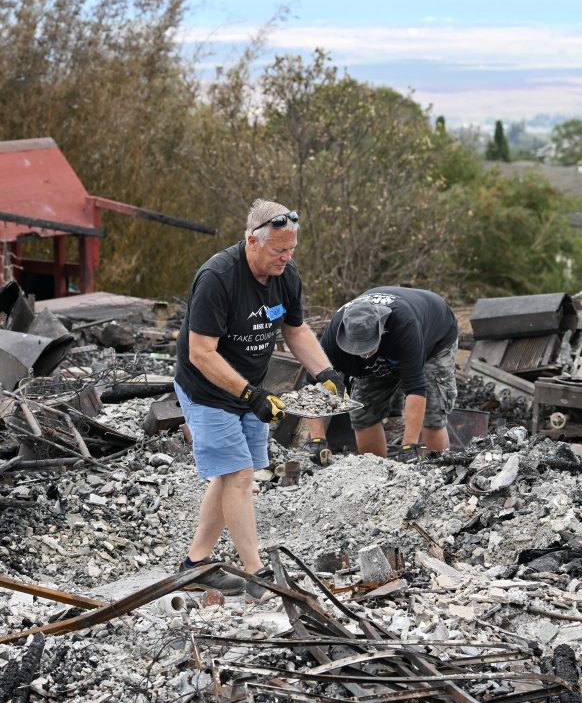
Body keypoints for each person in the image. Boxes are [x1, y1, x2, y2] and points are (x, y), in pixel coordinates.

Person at [173, 200, 343, 596]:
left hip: (249, 389)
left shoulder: (286, 274)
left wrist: (326, 372)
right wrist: (251, 394)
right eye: (278, 250)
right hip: (207, 387)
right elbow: (201, 353)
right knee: (240, 475)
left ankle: (195, 564)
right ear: (252, 241)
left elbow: (295, 330)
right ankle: (257, 573)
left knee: (233, 472)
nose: (286, 257)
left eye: (292, 249)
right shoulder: (218, 278)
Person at [311, 287, 459, 460]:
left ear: (382, 330)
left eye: (367, 347)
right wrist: (317, 439)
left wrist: (409, 445)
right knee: (362, 414)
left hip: (433, 340)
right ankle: (377, 472)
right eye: (356, 348)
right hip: (389, 348)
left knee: (432, 414)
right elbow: (314, 387)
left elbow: (416, 388)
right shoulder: (332, 339)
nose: (363, 354)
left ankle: (438, 472)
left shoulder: (403, 325)